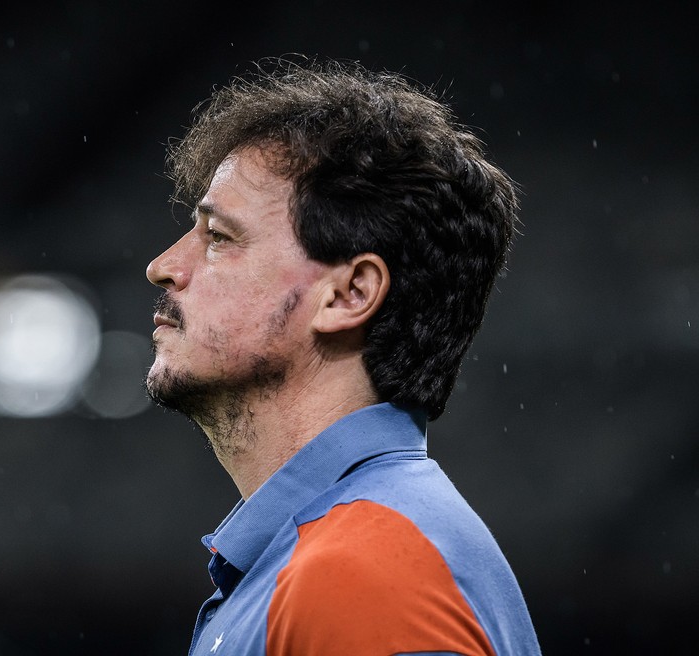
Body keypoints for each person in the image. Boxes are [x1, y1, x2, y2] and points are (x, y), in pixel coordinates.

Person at [144, 58, 540, 656]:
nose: (164, 267)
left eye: (218, 237)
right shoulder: (340, 551)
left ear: (349, 295)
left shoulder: (362, 572)